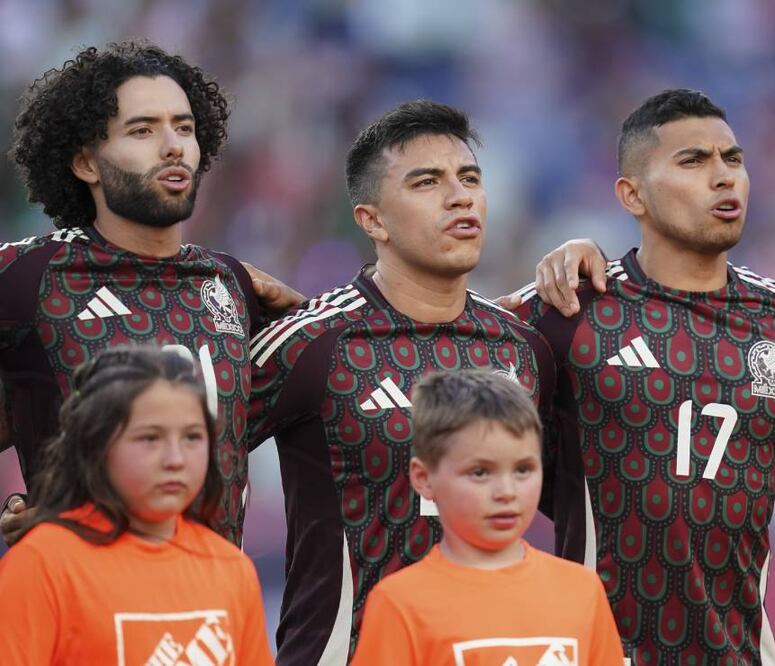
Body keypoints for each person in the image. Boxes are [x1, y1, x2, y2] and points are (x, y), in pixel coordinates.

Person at [509, 89, 775, 664]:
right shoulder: (569, 313)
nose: (724, 178)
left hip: (741, 653)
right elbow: (440, 339)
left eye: (732, 160)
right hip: (594, 651)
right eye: (693, 161)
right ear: (631, 194)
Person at [246, 100, 556, 665]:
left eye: (469, 178)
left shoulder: (522, 346)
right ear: (372, 220)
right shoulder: (313, 342)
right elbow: (190, 442)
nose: (460, 196)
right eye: (427, 182)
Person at [0, 40, 301, 546]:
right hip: (83, 603)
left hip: (214, 600)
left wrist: (311, 318)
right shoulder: (30, 275)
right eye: (143, 130)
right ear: (85, 163)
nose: (173, 145)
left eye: (184, 127)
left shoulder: (231, 284)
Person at [0, 346, 273, 665]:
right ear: (97, 446)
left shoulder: (231, 568)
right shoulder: (43, 563)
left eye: (193, 437)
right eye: (150, 438)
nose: (175, 459)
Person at [350, 370, 622, 665]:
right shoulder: (399, 604)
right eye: (480, 472)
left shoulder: (581, 590)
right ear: (424, 478)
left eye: (523, 469)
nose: (506, 492)